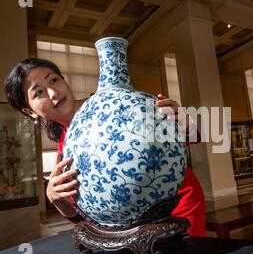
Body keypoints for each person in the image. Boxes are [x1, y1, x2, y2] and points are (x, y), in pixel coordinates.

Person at [4, 58, 207, 237]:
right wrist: (56, 199)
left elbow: (186, 140)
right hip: (128, 227)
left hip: (177, 205)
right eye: (38, 92)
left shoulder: (118, 103)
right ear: (29, 111)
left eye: (54, 80)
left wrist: (183, 123)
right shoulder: (64, 147)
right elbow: (85, 218)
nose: (53, 92)